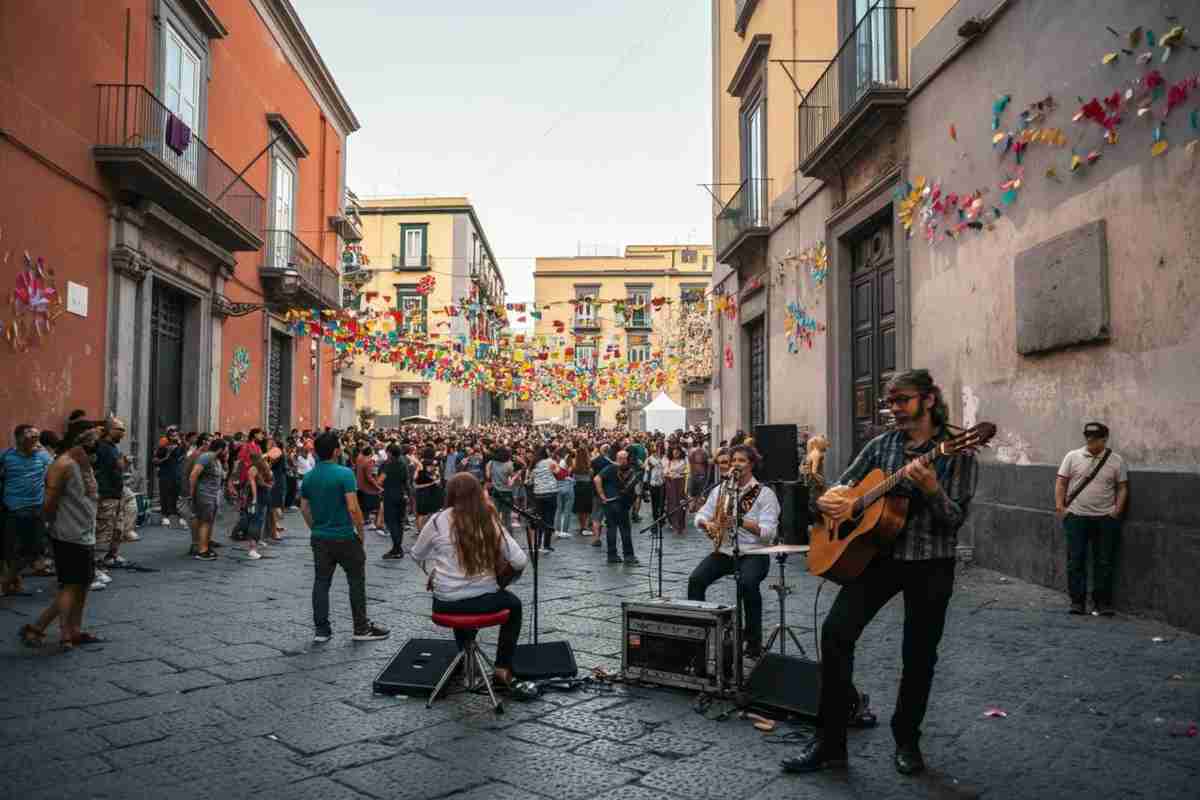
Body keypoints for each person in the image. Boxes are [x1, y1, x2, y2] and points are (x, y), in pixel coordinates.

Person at [782, 369, 977, 778]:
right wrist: (831, 501)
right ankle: (830, 743)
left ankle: (907, 741)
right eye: (891, 402)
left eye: (902, 400)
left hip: (930, 562)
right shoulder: (881, 445)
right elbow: (842, 488)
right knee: (836, 633)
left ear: (928, 399)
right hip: (877, 559)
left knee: (919, 654)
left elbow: (954, 519)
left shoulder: (958, 452)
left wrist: (931, 489)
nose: (895, 408)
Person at [411, 473, 527, 685]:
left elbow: (416, 555)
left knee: (459, 601)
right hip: (484, 600)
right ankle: (502, 668)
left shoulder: (437, 520)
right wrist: (502, 580)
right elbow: (519, 560)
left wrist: (434, 572)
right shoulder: (487, 518)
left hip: (446, 604)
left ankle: (467, 661)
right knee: (514, 606)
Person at [689, 445, 779, 658]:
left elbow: (769, 534)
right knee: (696, 580)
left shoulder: (765, 494)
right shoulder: (721, 490)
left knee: (747, 584)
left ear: (751, 464)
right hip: (725, 550)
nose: (736, 464)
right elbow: (701, 514)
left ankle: (754, 642)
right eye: (733, 461)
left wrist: (740, 521)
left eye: (741, 460)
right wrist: (705, 524)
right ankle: (700, 632)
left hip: (753, 552)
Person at [300, 432, 389, 643]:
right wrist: (360, 533)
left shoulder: (309, 477)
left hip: (320, 537)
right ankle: (361, 628)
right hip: (344, 536)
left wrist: (315, 527)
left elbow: (304, 508)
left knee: (321, 582)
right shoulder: (344, 474)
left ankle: (322, 630)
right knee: (356, 581)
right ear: (336, 451)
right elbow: (353, 507)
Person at [19, 427, 102, 649]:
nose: (97, 445)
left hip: (84, 532)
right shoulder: (63, 464)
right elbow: (49, 502)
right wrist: (48, 525)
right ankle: (50, 631)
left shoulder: (83, 462)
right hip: (69, 533)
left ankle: (72, 630)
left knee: (82, 583)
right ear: (81, 440)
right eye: (94, 439)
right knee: (71, 585)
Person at [1056, 422, 1128, 616]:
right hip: (1076, 516)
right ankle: (1077, 602)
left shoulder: (1116, 461)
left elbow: (1122, 487)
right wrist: (1061, 507)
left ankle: (1102, 603)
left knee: (1104, 561)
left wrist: (1117, 511)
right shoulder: (1072, 456)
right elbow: (1061, 482)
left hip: (1105, 518)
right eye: (1087, 436)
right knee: (1076, 559)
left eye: (1095, 437)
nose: (1090, 440)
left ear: (1105, 439)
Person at [1, 424, 54, 595]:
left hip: (36, 510)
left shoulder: (43, 456)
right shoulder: (6, 456)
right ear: (18, 438)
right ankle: (14, 583)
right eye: (30, 437)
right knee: (10, 550)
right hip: (13, 509)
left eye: (37, 437)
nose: (35, 441)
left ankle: (6, 582)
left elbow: (54, 475)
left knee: (34, 550)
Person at [93, 417, 129, 573]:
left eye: (123, 429)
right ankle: (97, 563)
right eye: (120, 429)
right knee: (104, 530)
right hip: (106, 494)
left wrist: (123, 464)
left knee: (117, 528)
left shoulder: (113, 447)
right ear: (109, 430)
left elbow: (117, 468)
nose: (123, 433)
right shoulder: (102, 447)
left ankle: (110, 556)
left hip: (116, 493)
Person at [594, 450, 640, 565]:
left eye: (625, 458)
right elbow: (597, 479)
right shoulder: (612, 468)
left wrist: (603, 496)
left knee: (612, 529)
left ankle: (612, 555)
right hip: (617, 502)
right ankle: (628, 556)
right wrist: (602, 495)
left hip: (612, 502)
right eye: (622, 458)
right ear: (618, 458)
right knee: (624, 529)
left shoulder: (612, 468)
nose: (623, 461)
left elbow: (597, 479)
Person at [188, 439, 226, 561]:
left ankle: (205, 546)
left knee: (208, 521)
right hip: (204, 494)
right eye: (225, 449)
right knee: (204, 522)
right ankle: (202, 551)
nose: (227, 452)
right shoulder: (206, 457)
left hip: (212, 495)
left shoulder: (216, 459)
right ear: (220, 449)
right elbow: (193, 475)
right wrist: (191, 493)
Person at [380, 443, 410, 559]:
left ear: (389, 453)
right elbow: (406, 481)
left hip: (390, 496)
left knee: (391, 522)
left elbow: (380, 481)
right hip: (401, 495)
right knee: (399, 522)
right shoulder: (403, 463)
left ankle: (397, 549)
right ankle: (397, 548)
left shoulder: (387, 465)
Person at [529, 446, 560, 553]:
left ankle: (537, 544)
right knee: (549, 519)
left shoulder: (534, 463)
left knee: (539, 519)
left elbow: (530, 480)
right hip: (551, 493)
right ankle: (546, 545)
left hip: (538, 493)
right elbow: (558, 472)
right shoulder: (550, 461)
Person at [153, 428, 185, 528]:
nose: (174, 438)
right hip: (165, 475)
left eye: (176, 435)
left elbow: (182, 458)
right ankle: (165, 516)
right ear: (168, 437)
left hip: (176, 475)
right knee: (165, 495)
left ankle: (175, 517)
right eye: (172, 436)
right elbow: (155, 461)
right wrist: (166, 456)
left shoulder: (180, 447)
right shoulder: (163, 448)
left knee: (176, 496)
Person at [355, 445, 385, 538]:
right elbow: (370, 477)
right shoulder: (369, 462)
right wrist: (378, 487)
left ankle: (366, 520)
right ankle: (377, 524)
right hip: (369, 489)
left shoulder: (359, 459)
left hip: (360, 485)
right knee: (378, 506)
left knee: (364, 506)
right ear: (370, 453)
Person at [486, 447, 516, 533]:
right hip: (507, 492)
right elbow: (512, 476)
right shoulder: (509, 464)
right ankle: (509, 536)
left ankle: (495, 534)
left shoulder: (491, 463)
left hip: (495, 491)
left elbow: (488, 476)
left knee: (495, 515)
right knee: (507, 517)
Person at [414, 446, 443, 533]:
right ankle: (428, 530)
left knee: (421, 512)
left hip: (420, 489)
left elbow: (415, 477)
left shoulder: (420, 462)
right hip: (431, 490)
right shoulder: (433, 463)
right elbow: (435, 477)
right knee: (431, 511)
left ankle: (419, 530)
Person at [663, 443, 689, 535]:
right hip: (671, 484)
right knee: (672, 504)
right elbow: (665, 473)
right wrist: (669, 474)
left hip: (681, 483)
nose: (676, 453)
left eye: (677, 452)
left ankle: (681, 525)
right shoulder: (668, 461)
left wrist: (675, 473)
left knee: (681, 504)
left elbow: (687, 471)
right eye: (674, 452)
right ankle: (674, 524)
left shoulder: (683, 461)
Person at [571, 446, 594, 536]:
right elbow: (591, 474)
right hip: (587, 487)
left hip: (577, 487)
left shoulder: (574, 466)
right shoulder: (589, 466)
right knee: (586, 508)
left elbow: (571, 474)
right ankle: (585, 526)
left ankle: (582, 526)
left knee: (579, 508)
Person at [644, 442, 666, 532]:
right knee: (654, 503)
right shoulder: (649, 459)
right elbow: (646, 470)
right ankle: (655, 520)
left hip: (663, 483)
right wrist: (650, 467)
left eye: (659, 448)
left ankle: (660, 518)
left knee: (662, 502)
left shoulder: (664, 458)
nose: (658, 450)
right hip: (653, 483)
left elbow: (666, 468)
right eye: (656, 448)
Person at [554, 446, 575, 538]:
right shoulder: (568, 460)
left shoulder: (555, 462)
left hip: (558, 486)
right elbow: (569, 472)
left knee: (558, 509)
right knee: (567, 510)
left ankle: (557, 530)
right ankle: (565, 531)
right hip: (568, 486)